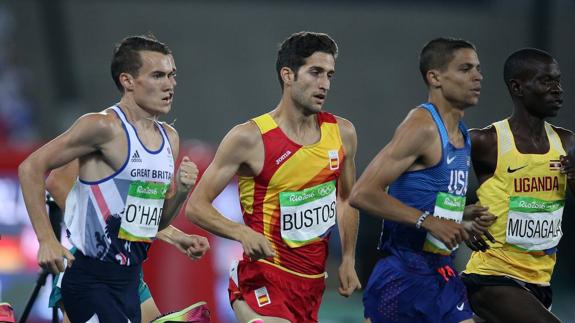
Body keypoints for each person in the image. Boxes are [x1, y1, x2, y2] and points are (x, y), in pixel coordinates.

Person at [18, 34, 206, 323]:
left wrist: (180, 191)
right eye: (157, 75)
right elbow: (31, 168)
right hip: (90, 277)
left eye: (172, 75)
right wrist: (46, 240)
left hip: (130, 281)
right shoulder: (102, 127)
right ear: (128, 81)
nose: (169, 85)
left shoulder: (170, 138)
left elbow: (155, 222)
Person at [186, 31, 361, 323]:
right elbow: (196, 206)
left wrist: (349, 259)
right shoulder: (250, 138)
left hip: (311, 285)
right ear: (288, 75)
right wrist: (242, 232)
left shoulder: (342, 134)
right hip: (263, 278)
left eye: (329, 74)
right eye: (315, 72)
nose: (325, 84)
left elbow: (346, 199)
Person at [349, 37, 495, 323]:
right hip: (403, 277)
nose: (478, 76)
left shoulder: (462, 134)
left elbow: (424, 199)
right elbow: (362, 193)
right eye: (465, 69)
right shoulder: (422, 127)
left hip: (441, 272)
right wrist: (428, 221)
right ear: (435, 77)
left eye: (478, 68)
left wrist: (460, 219)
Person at [461, 48, 574, 323]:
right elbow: (429, 180)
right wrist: (459, 217)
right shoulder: (486, 141)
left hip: (539, 283)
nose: (558, 90)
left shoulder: (567, 143)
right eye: (546, 81)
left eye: (558, 81)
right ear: (518, 87)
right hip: (491, 278)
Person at [44, 161, 211, 323]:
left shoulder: (162, 142)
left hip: (128, 270)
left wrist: (176, 236)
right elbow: (56, 183)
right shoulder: (102, 134)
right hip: (90, 268)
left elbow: (131, 215)